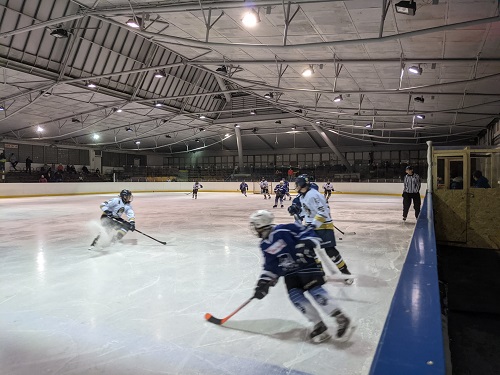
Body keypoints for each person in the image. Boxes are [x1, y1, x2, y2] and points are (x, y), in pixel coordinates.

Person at [249, 210, 355, 343]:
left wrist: (306, 243)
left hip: (307, 266)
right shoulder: (264, 244)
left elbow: (309, 233)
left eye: (254, 225)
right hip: (290, 274)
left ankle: (340, 317)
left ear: (261, 223)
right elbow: (271, 266)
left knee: (315, 291)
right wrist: (263, 283)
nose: (253, 228)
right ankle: (319, 324)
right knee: (295, 297)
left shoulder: (285, 230)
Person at [292, 175, 353, 285]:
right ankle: (320, 273)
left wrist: (313, 225)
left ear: (302, 185)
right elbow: (308, 212)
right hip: (312, 226)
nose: (296, 186)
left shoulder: (314, 195)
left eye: (297, 184)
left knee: (330, 251)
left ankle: (345, 273)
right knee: (308, 251)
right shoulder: (302, 197)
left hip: (324, 226)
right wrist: (297, 211)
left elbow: (323, 212)